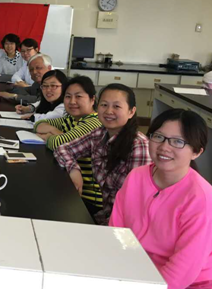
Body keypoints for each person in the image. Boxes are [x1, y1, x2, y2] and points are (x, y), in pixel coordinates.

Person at [110, 109, 212, 289]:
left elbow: (183, 271)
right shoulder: (136, 177)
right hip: (136, 271)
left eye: (178, 141)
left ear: (196, 152)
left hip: (188, 284)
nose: (164, 147)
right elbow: (117, 230)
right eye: (158, 137)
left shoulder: (201, 197)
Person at [54, 84, 151, 224]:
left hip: (124, 224)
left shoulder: (139, 146)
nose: (108, 111)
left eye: (116, 106)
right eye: (104, 105)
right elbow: (63, 149)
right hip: (105, 215)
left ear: (131, 112)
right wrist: (74, 170)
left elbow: (136, 202)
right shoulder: (99, 133)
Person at [34, 76, 103, 212]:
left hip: (87, 198)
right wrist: (57, 132)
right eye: (68, 96)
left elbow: (59, 143)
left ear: (92, 99)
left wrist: (51, 136)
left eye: (78, 96)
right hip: (68, 183)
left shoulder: (94, 122)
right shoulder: (71, 118)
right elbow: (39, 124)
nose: (72, 102)